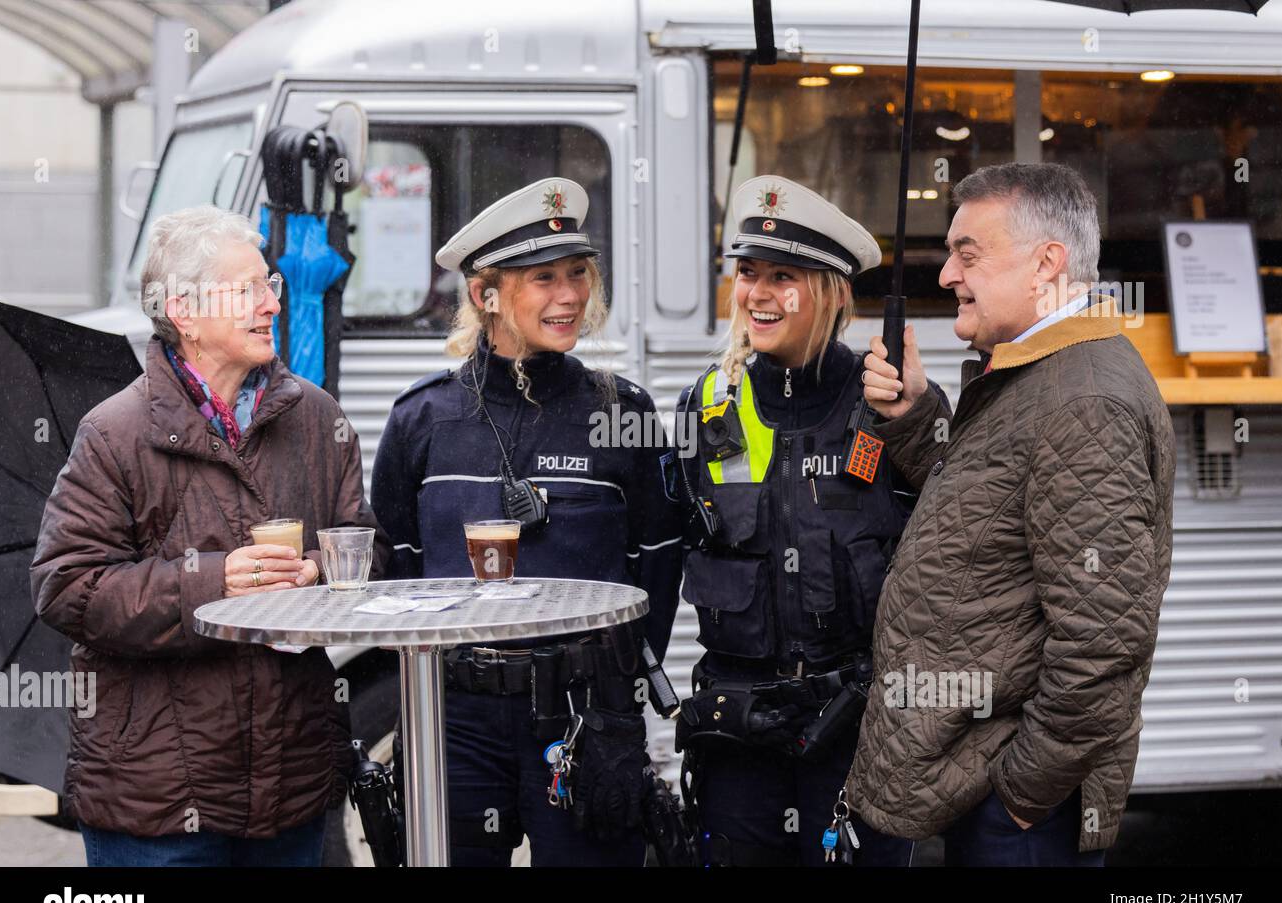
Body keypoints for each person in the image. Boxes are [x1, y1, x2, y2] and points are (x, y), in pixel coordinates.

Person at [29, 205, 389, 867]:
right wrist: (214, 582)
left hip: (291, 786)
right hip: (155, 800)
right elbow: (66, 586)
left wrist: (316, 569)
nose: (270, 304)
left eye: (271, 286)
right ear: (185, 312)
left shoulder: (317, 417)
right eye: (247, 289)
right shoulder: (115, 433)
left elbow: (363, 546)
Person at [849, 162, 1176, 866]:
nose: (945, 275)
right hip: (995, 790)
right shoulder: (1041, 373)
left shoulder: (1084, 400)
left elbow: (1104, 642)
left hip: (1024, 813)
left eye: (968, 253)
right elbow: (983, 509)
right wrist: (913, 413)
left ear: (1045, 264)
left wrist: (1023, 792)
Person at [371, 177, 683, 866]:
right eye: (543, 278)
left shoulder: (623, 414)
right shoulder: (420, 420)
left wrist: (615, 701)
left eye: (578, 273)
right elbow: (395, 570)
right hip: (455, 720)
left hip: (583, 712)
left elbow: (657, 567)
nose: (570, 295)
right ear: (486, 295)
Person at [672, 175, 936, 866]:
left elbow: (968, 532)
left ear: (833, 292)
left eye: (782, 275)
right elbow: (654, 549)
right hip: (738, 747)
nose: (756, 293)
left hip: (860, 738)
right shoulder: (707, 407)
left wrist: (923, 410)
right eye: (747, 272)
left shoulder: (890, 404)